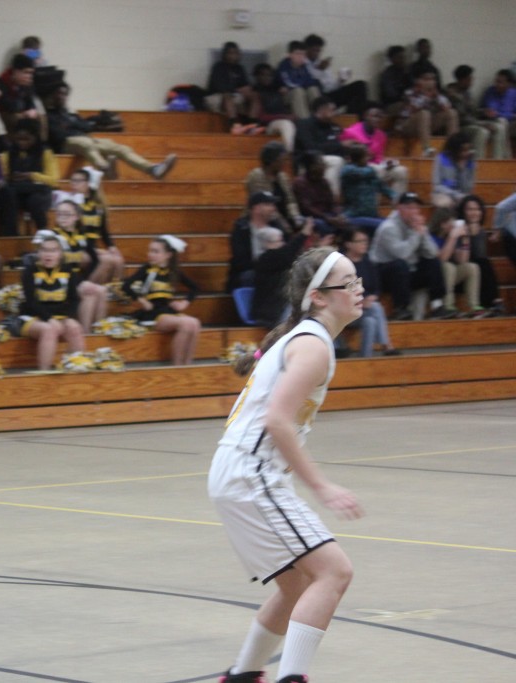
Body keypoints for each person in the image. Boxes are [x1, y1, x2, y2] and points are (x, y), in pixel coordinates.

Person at [209, 246, 363, 683]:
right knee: (334, 572)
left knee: (298, 584)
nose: (359, 289)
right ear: (318, 296)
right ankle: (290, 677)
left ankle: (242, 675)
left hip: (239, 472)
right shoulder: (312, 344)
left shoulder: (305, 339)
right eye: (348, 283)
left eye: (359, 280)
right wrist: (321, 486)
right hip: (249, 473)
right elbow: (277, 421)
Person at [42, 81, 176, 180]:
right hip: (66, 145)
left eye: (64, 93)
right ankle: (105, 169)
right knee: (86, 142)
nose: (62, 96)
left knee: (120, 148)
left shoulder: (69, 114)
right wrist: (75, 127)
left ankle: (153, 169)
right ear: (51, 95)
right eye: (58, 93)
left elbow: (87, 126)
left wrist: (74, 126)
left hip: (85, 140)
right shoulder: (47, 115)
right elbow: (58, 135)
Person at [13, 231, 90, 371]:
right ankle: (44, 375)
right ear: (38, 252)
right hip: (31, 317)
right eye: (44, 250)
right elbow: (31, 302)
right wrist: (49, 319)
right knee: (49, 330)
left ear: (60, 253)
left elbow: (74, 299)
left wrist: (69, 318)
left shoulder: (69, 271)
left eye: (53, 250)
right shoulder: (29, 271)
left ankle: (77, 372)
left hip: (59, 317)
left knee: (75, 328)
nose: (48, 254)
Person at [122, 235, 201, 365]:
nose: (150, 254)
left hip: (167, 311)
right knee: (186, 323)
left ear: (168, 254)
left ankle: (187, 366)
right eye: (150, 251)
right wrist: (142, 301)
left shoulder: (173, 272)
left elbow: (195, 288)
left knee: (195, 323)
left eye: (155, 251)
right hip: (152, 313)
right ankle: (177, 368)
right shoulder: (147, 270)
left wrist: (184, 303)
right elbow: (126, 286)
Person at [369, 192, 449, 320]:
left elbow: (433, 253)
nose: (414, 212)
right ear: (399, 208)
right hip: (383, 275)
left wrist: (423, 233)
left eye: (416, 208)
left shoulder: (417, 226)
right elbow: (402, 254)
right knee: (399, 265)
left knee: (432, 262)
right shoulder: (388, 228)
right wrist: (416, 233)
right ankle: (401, 309)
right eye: (410, 208)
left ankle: (437, 305)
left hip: (407, 273)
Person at [338, 226, 398, 357]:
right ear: (348, 244)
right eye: (360, 241)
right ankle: (386, 344)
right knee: (376, 308)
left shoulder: (367, 262)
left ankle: (366, 357)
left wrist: (372, 297)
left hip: (364, 310)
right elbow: (343, 291)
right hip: (345, 310)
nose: (364, 244)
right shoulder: (342, 265)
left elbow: (376, 288)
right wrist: (361, 301)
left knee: (370, 321)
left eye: (365, 241)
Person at [52, 199, 109, 329]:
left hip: (75, 279)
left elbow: (95, 260)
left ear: (76, 217)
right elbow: (58, 267)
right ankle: (85, 334)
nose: (62, 218)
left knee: (102, 290)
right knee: (90, 294)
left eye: (67, 214)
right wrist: (80, 282)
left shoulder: (81, 236)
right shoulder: (52, 236)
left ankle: (98, 331)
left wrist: (85, 279)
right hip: (57, 281)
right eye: (59, 214)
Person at [251, 222, 314, 328]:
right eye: (279, 241)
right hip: (269, 309)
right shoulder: (265, 259)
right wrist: (303, 234)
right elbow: (286, 253)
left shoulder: (277, 259)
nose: (283, 244)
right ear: (267, 243)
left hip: (279, 305)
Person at [0, 118, 58, 232]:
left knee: (35, 201)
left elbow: (54, 180)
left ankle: (43, 233)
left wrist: (31, 175)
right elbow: (3, 176)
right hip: (18, 192)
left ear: (35, 137)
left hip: (39, 192)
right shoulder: (8, 153)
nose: (22, 143)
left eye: (26, 139)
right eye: (19, 139)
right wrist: (9, 177)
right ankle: (10, 235)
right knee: (7, 195)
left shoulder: (45, 152)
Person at [339, 103, 409, 196]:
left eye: (380, 117)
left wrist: (387, 163)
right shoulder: (350, 132)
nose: (378, 119)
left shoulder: (381, 135)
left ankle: (398, 206)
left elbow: (378, 158)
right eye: (374, 116)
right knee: (375, 171)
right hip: (358, 169)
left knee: (401, 171)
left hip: (376, 167)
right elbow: (346, 157)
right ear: (365, 116)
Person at [70, 167, 125, 284]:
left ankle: (115, 292)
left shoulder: (98, 206)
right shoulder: (72, 203)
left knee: (118, 259)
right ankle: (86, 291)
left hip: (91, 247)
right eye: (73, 181)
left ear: (88, 184)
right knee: (106, 260)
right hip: (76, 247)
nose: (74, 184)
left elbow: (104, 231)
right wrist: (96, 250)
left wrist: (112, 247)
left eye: (79, 181)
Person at [227, 191, 289, 291]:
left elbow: (287, 254)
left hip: (274, 272)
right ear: (256, 208)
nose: (273, 208)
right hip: (251, 272)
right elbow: (241, 261)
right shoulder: (241, 229)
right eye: (268, 205)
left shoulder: (278, 228)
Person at [446, 65, 509, 160]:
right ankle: (477, 163)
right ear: (463, 79)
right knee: (482, 132)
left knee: (499, 128)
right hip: (461, 126)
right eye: (470, 78)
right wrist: (481, 124)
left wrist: (483, 112)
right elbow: (463, 118)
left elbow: (472, 112)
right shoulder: (452, 94)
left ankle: (497, 159)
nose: (472, 81)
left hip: (473, 123)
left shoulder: (466, 92)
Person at [455, 194, 504, 315]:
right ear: (463, 211)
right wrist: (466, 238)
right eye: (470, 209)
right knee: (481, 263)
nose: (474, 213)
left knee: (483, 262)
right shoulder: (457, 229)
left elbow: (480, 256)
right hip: (458, 276)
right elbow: (462, 261)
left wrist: (475, 234)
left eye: (477, 209)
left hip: (477, 277)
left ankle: (492, 303)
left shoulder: (481, 231)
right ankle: (493, 302)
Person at [396, 67, 458, 157]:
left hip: (426, 125)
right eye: (426, 79)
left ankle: (453, 149)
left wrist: (437, 97)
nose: (430, 82)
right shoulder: (410, 93)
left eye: (432, 79)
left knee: (452, 113)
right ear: (418, 80)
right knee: (424, 113)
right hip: (407, 124)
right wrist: (426, 96)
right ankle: (426, 149)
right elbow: (413, 109)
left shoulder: (435, 93)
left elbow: (447, 107)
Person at [302, 33, 367, 115]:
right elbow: (311, 82)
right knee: (316, 88)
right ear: (307, 49)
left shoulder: (322, 63)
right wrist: (320, 70)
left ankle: (354, 115)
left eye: (319, 51)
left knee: (360, 85)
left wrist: (340, 81)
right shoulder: (302, 63)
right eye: (314, 50)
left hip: (329, 95)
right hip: (317, 95)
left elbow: (330, 86)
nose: (316, 54)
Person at [293, 96, 346, 196]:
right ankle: (330, 197)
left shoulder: (335, 127)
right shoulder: (304, 124)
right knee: (336, 161)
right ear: (322, 109)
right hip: (307, 162)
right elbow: (311, 148)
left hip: (328, 159)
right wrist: (339, 145)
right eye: (332, 110)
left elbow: (339, 148)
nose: (335, 113)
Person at [244, 142, 302, 233]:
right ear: (272, 161)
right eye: (282, 160)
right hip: (265, 219)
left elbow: (291, 201)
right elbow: (264, 205)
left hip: (285, 216)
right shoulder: (256, 176)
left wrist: (296, 217)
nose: (284, 163)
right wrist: (283, 223)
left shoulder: (283, 177)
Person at [339, 144, 394, 236]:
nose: (368, 159)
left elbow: (381, 186)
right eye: (366, 156)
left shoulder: (369, 170)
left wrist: (396, 197)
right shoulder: (347, 170)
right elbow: (361, 173)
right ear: (358, 158)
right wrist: (381, 167)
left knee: (392, 226)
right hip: (353, 213)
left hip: (372, 213)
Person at [431, 214, 479, 318]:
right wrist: (452, 237)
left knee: (472, 267)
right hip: (434, 277)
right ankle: (448, 306)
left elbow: (462, 260)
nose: (454, 226)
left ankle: (474, 307)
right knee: (448, 266)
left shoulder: (451, 238)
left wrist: (465, 239)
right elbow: (441, 259)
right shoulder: (432, 237)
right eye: (451, 223)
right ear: (443, 224)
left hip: (449, 276)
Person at [292, 151, 350, 237]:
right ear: (312, 167)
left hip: (328, 215)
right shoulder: (300, 183)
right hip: (312, 217)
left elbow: (332, 203)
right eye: (321, 163)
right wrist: (327, 218)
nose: (324, 166)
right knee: (325, 227)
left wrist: (338, 214)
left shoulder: (324, 182)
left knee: (347, 222)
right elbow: (306, 208)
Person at [205, 41, 254, 127]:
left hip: (234, 95)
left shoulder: (239, 68)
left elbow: (245, 86)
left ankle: (251, 123)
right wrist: (237, 90)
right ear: (225, 54)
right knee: (228, 96)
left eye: (236, 53)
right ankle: (234, 124)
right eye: (230, 53)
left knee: (252, 96)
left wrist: (247, 92)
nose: (233, 56)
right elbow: (221, 88)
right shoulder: (218, 67)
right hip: (215, 97)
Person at [0, 53, 43, 137]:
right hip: (6, 115)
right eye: (26, 72)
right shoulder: (1, 83)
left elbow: (30, 100)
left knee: (39, 116)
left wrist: (32, 109)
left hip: (22, 112)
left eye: (31, 73)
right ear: (15, 71)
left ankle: (41, 144)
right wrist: (25, 113)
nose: (29, 76)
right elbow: (11, 106)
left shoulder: (27, 83)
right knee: (16, 118)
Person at [249, 63, 296, 151]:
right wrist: (285, 117)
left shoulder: (276, 90)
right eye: (263, 75)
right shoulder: (255, 93)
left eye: (269, 75)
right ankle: (289, 156)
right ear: (257, 76)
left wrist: (289, 116)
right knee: (286, 124)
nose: (267, 77)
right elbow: (262, 117)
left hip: (281, 119)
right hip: (267, 125)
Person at [430, 132, 475, 214]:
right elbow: (437, 186)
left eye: (468, 149)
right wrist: (455, 195)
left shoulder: (470, 163)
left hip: (462, 195)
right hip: (442, 194)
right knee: (447, 203)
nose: (466, 153)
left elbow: (468, 188)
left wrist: (463, 169)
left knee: (472, 205)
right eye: (463, 150)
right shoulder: (441, 159)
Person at [276, 41, 320, 120]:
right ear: (290, 54)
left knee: (313, 89)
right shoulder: (283, 66)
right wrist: (303, 85)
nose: (301, 57)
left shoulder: (303, 67)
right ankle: (304, 121)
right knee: (298, 91)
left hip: (301, 91)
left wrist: (305, 85)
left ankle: (319, 117)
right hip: (286, 96)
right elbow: (289, 83)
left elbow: (310, 82)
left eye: (303, 54)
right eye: (298, 54)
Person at [479, 69, 516, 157]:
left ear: (509, 84)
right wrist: (486, 112)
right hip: (492, 121)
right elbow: (484, 108)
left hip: (511, 123)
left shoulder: (514, 94)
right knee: (501, 123)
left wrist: (499, 115)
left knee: (502, 121)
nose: (497, 84)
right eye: (496, 81)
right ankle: (504, 157)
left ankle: (503, 157)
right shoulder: (490, 91)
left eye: (500, 82)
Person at [378, 45, 409, 112]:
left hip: (407, 101)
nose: (403, 60)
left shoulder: (407, 72)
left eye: (404, 57)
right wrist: (404, 96)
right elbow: (390, 96)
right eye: (400, 57)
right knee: (405, 106)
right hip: (390, 105)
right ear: (392, 59)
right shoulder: (387, 75)